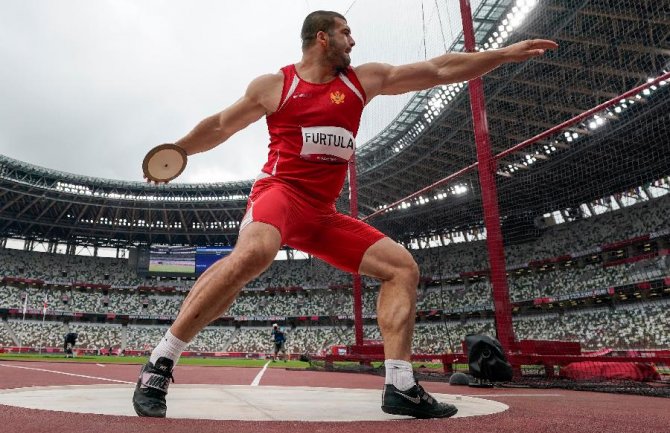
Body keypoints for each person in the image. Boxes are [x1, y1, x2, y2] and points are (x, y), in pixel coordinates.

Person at [132, 10, 557, 419]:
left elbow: (439, 69)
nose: (353, 41)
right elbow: (223, 124)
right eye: (346, 32)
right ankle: (160, 363)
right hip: (279, 194)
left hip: (321, 214)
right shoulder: (274, 85)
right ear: (322, 38)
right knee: (254, 254)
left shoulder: (362, 81)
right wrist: (180, 149)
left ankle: (401, 385)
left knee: (401, 267)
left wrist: (500, 54)